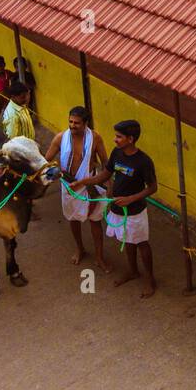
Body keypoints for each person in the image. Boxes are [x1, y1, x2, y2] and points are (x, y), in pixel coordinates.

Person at [71, 120, 157, 298]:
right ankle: (133, 271)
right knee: (126, 239)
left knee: (141, 244)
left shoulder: (144, 161)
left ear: (131, 139)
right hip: (117, 209)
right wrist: (82, 182)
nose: (115, 140)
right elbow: (105, 174)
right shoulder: (117, 153)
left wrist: (130, 199)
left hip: (135, 211)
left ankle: (150, 280)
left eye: (119, 137)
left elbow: (152, 187)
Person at [45, 106, 110, 270]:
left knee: (95, 221)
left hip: (90, 185)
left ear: (86, 123)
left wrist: (110, 186)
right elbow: (46, 160)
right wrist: (52, 172)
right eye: (70, 122)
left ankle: (99, 256)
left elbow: (106, 164)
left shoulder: (95, 138)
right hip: (69, 185)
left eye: (77, 123)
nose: (73, 126)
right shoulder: (60, 138)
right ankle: (80, 249)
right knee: (73, 219)